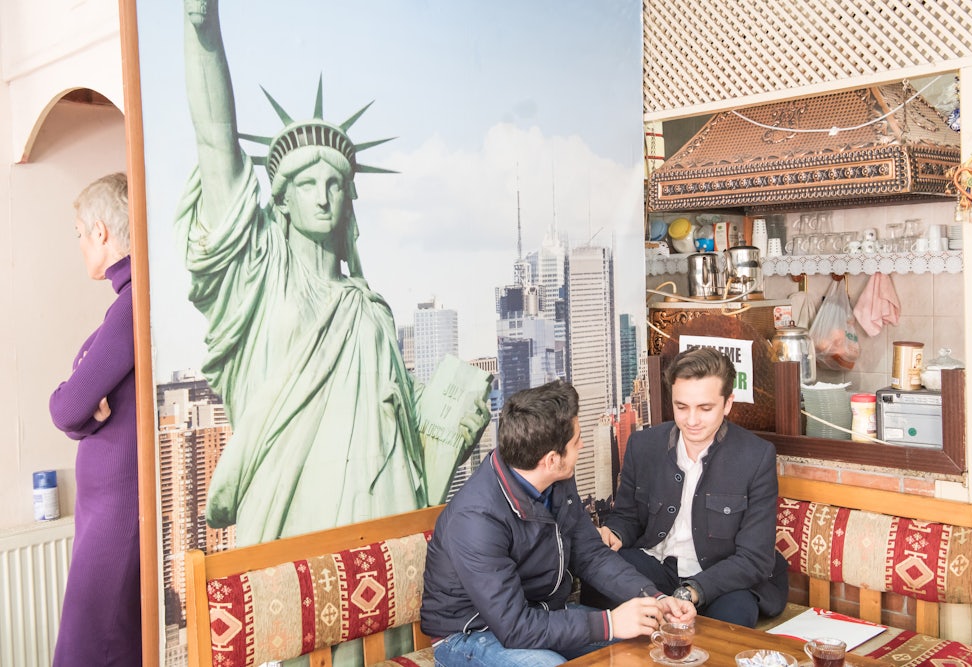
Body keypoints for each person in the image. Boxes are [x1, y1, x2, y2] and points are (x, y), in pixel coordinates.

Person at [179, 0, 490, 548]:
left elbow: (398, 410)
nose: (323, 198)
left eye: (334, 185)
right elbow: (215, 141)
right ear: (282, 199)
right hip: (291, 513)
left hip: (383, 515)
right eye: (307, 184)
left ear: (349, 199)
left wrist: (455, 419)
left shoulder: (367, 307)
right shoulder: (261, 277)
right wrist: (202, 29)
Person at [421, 380, 696, 667]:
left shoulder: (556, 479)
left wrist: (654, 599)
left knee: (651, 641)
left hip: (543, 616)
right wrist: (610, 623)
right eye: (576, 442)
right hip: (471, 635)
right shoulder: (476, 520)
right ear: (552, 460)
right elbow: (515, 628)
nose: (582, 445)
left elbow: (591, 555)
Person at [583, 347, 788, 627]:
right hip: (655, 565)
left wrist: (691, 592)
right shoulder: (643, 445)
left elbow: (755, 558)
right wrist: (615, 533)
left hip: (719, 578)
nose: (691, 420)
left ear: (728, 403)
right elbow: (627, 518)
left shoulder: (755, 456)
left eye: (705, 408)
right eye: (681, 407)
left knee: (735, 617)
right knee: (597, 583)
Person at [49, 172, 140, 666]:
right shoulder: (127, 304)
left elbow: (66, 405)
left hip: (115, 520)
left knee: (88, 651)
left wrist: (74, 408)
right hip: (108, 513)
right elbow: (79, 412)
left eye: (80, 233)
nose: (81, 243)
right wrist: (83, 418)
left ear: (101, 232)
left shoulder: (131, 307)